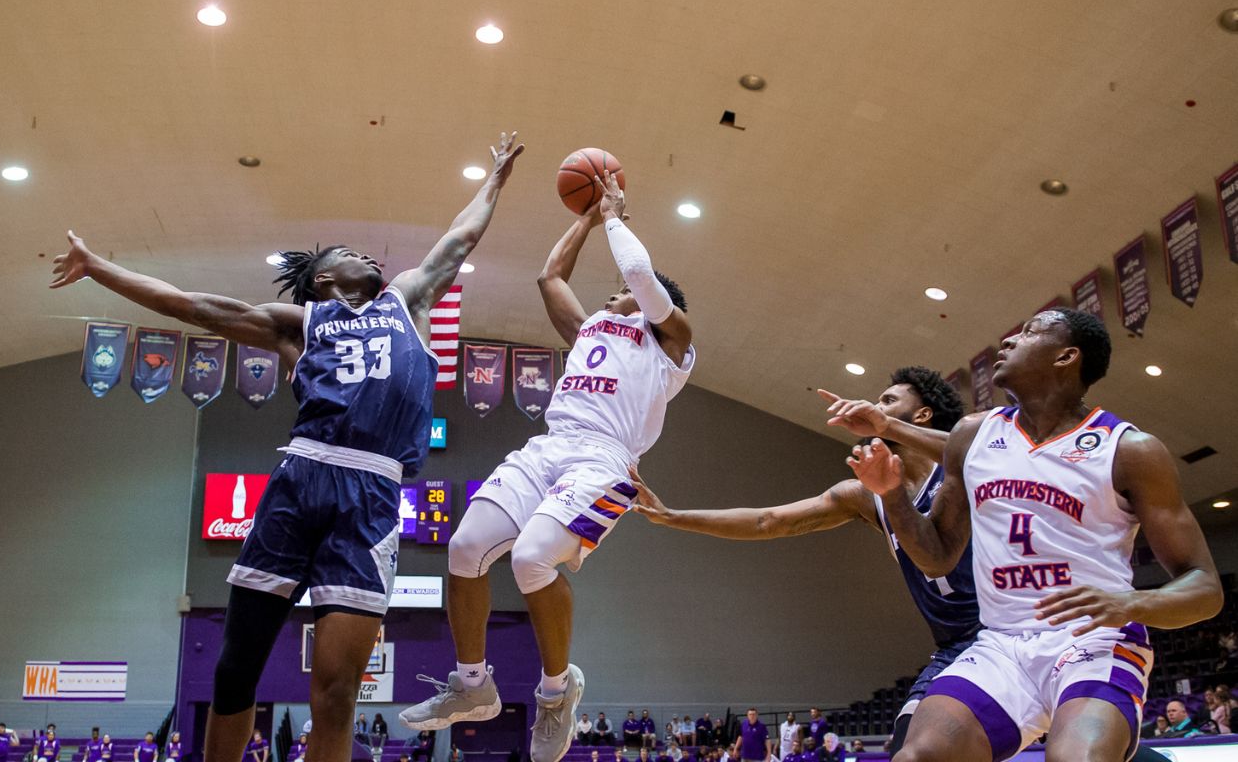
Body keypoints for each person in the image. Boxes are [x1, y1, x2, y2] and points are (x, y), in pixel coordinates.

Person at [50, 132, 522, 762]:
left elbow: (459, 239)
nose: (371, 257)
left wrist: (495, 178)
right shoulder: (298, 326)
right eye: (353, 253)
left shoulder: (405, 301)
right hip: (300, 482)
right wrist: (98, 266)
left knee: (335, 695)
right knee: (233, 671)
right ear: (326, 278)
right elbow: (195, 307)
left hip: (373, 496)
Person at [400, 173, 693, 762]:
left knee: (533, 558)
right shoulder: (592, 330)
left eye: (623, 293)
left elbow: (640, 276)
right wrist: (583, 218)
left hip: (605, 459)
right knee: (464, 548)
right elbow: (549, 276)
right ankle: (473, 685)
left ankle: (557, 693)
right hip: (550, 445)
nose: (613, 294)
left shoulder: (673, 342)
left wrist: (613, 215)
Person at [848, 308, 1224, 762]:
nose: (1007, 341)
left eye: (1029, 332)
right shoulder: (972, 436)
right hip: (1002, 644)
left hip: (1095, 639)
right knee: (916, 757)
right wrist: (891, 495)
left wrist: (1130, 604)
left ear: (1066, 357)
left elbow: (1204, 587)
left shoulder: (1129, 450)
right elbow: (937, 558)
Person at [632, 368, 971, 754]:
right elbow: (767, 521)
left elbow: (981, 448)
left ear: (924, 415)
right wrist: (673, 516)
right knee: (906, 749)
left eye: (889, 401)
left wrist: (889, 426)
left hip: (1008, 628)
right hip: (953, 646)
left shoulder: (962, 469)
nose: (876, 407)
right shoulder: (864, 494)